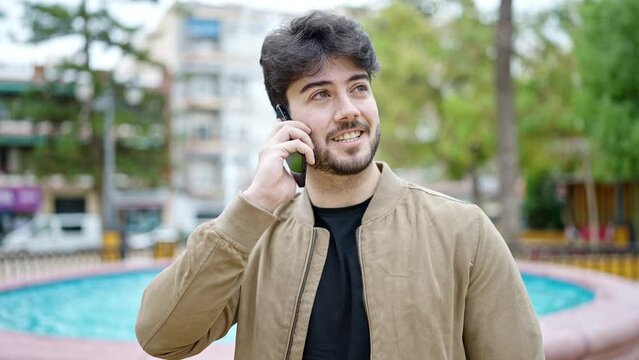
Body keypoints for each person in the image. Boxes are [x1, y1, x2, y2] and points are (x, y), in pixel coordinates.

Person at [136, 10, 544, 360]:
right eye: (320, 95)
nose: (349, 111)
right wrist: (253, 206)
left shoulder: (464, 231)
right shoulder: (254, 237)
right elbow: (161, 337)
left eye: (359, 87)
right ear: (285, 120)